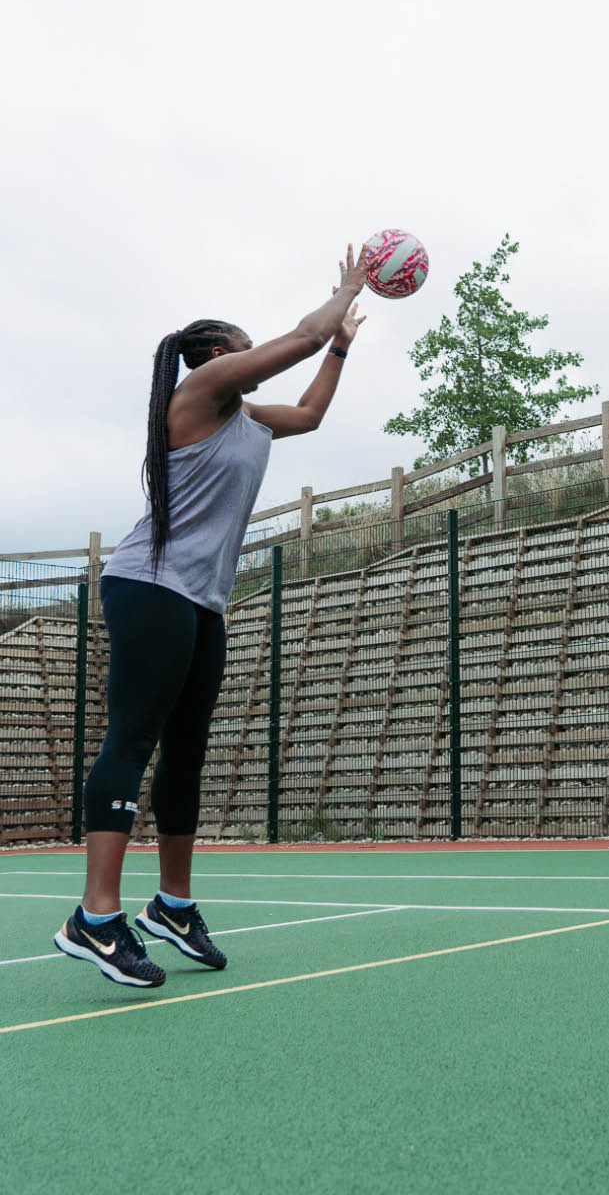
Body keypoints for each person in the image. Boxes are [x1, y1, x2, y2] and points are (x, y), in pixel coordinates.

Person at [53, 243, 369, 987]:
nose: (255, 351)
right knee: (133, 737)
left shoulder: (248, 416)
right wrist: (346, 295)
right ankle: (94, 918)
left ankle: (172, 905)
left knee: (187, 751)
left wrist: (343, 349)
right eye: (246, 345)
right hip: (150, 586)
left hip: (200, 600)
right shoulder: (200, 389)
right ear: (221, 352)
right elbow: (300, 339)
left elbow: (313, 414)